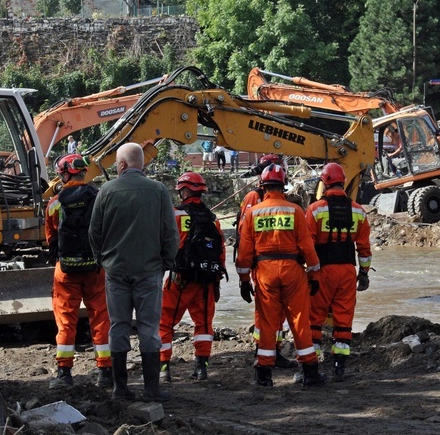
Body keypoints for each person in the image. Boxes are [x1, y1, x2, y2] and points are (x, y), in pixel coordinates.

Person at [89, 143, 179, 402]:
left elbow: (94, 232)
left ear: (121, 165)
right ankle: (151, 388)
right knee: (149, 328)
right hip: (149, 270)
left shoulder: (106, 190)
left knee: (118, 326)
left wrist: (103, 259)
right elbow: (170, 234)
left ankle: (120, 388)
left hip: (116, 270)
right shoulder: (159, 191)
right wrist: (166, 262)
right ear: (142, 164)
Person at [235, 163, 326, 387]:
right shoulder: (295, 211)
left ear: (263, 187)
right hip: (293, 272)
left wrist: (244, 280)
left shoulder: (253, 213)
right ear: (283, 186)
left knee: (267, 323)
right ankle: (310, 372)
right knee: (299, 321)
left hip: (265, 273)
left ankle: (264, 374)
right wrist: (313, 275)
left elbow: (245, 252)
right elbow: (307, 248)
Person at [46, 154, 112, 389]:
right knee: (101, 320)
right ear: (84, 172)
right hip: (96, 269)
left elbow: (51, 237)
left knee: (65, 321)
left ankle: (64, 373)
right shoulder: (100, 198)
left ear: (64, 174)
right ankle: (105, 371)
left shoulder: (54, 203)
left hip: (65, 272)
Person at [305, 163, 372, 382]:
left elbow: (308, 245)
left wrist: (309, 274)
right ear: (344, 182)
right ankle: (339, 366)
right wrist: (363, 273)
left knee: (314, 319)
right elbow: (364, 248)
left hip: (322, 270)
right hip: (347, 271)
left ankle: (312, 365)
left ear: (324, 183)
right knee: (343, 320)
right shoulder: (359, 211)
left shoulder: (315, 209)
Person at [159, 172, 226, 383]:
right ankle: (201, 368)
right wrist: (216, 281)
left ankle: (163, 370)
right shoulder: (213, 220)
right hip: (206, 281)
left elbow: (164, 245)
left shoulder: (174, 215)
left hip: (180, 279)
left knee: (165, 323)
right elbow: (221, 252)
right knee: (204, 324)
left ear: (185, 191)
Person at [236, 153, 297, 369]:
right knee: (266, 311)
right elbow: (245, 233)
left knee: (276, 311)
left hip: (269, 260)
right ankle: (263, 350)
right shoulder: (255, 197)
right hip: (262, 261)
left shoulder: (266, 196)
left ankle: (272, 350)